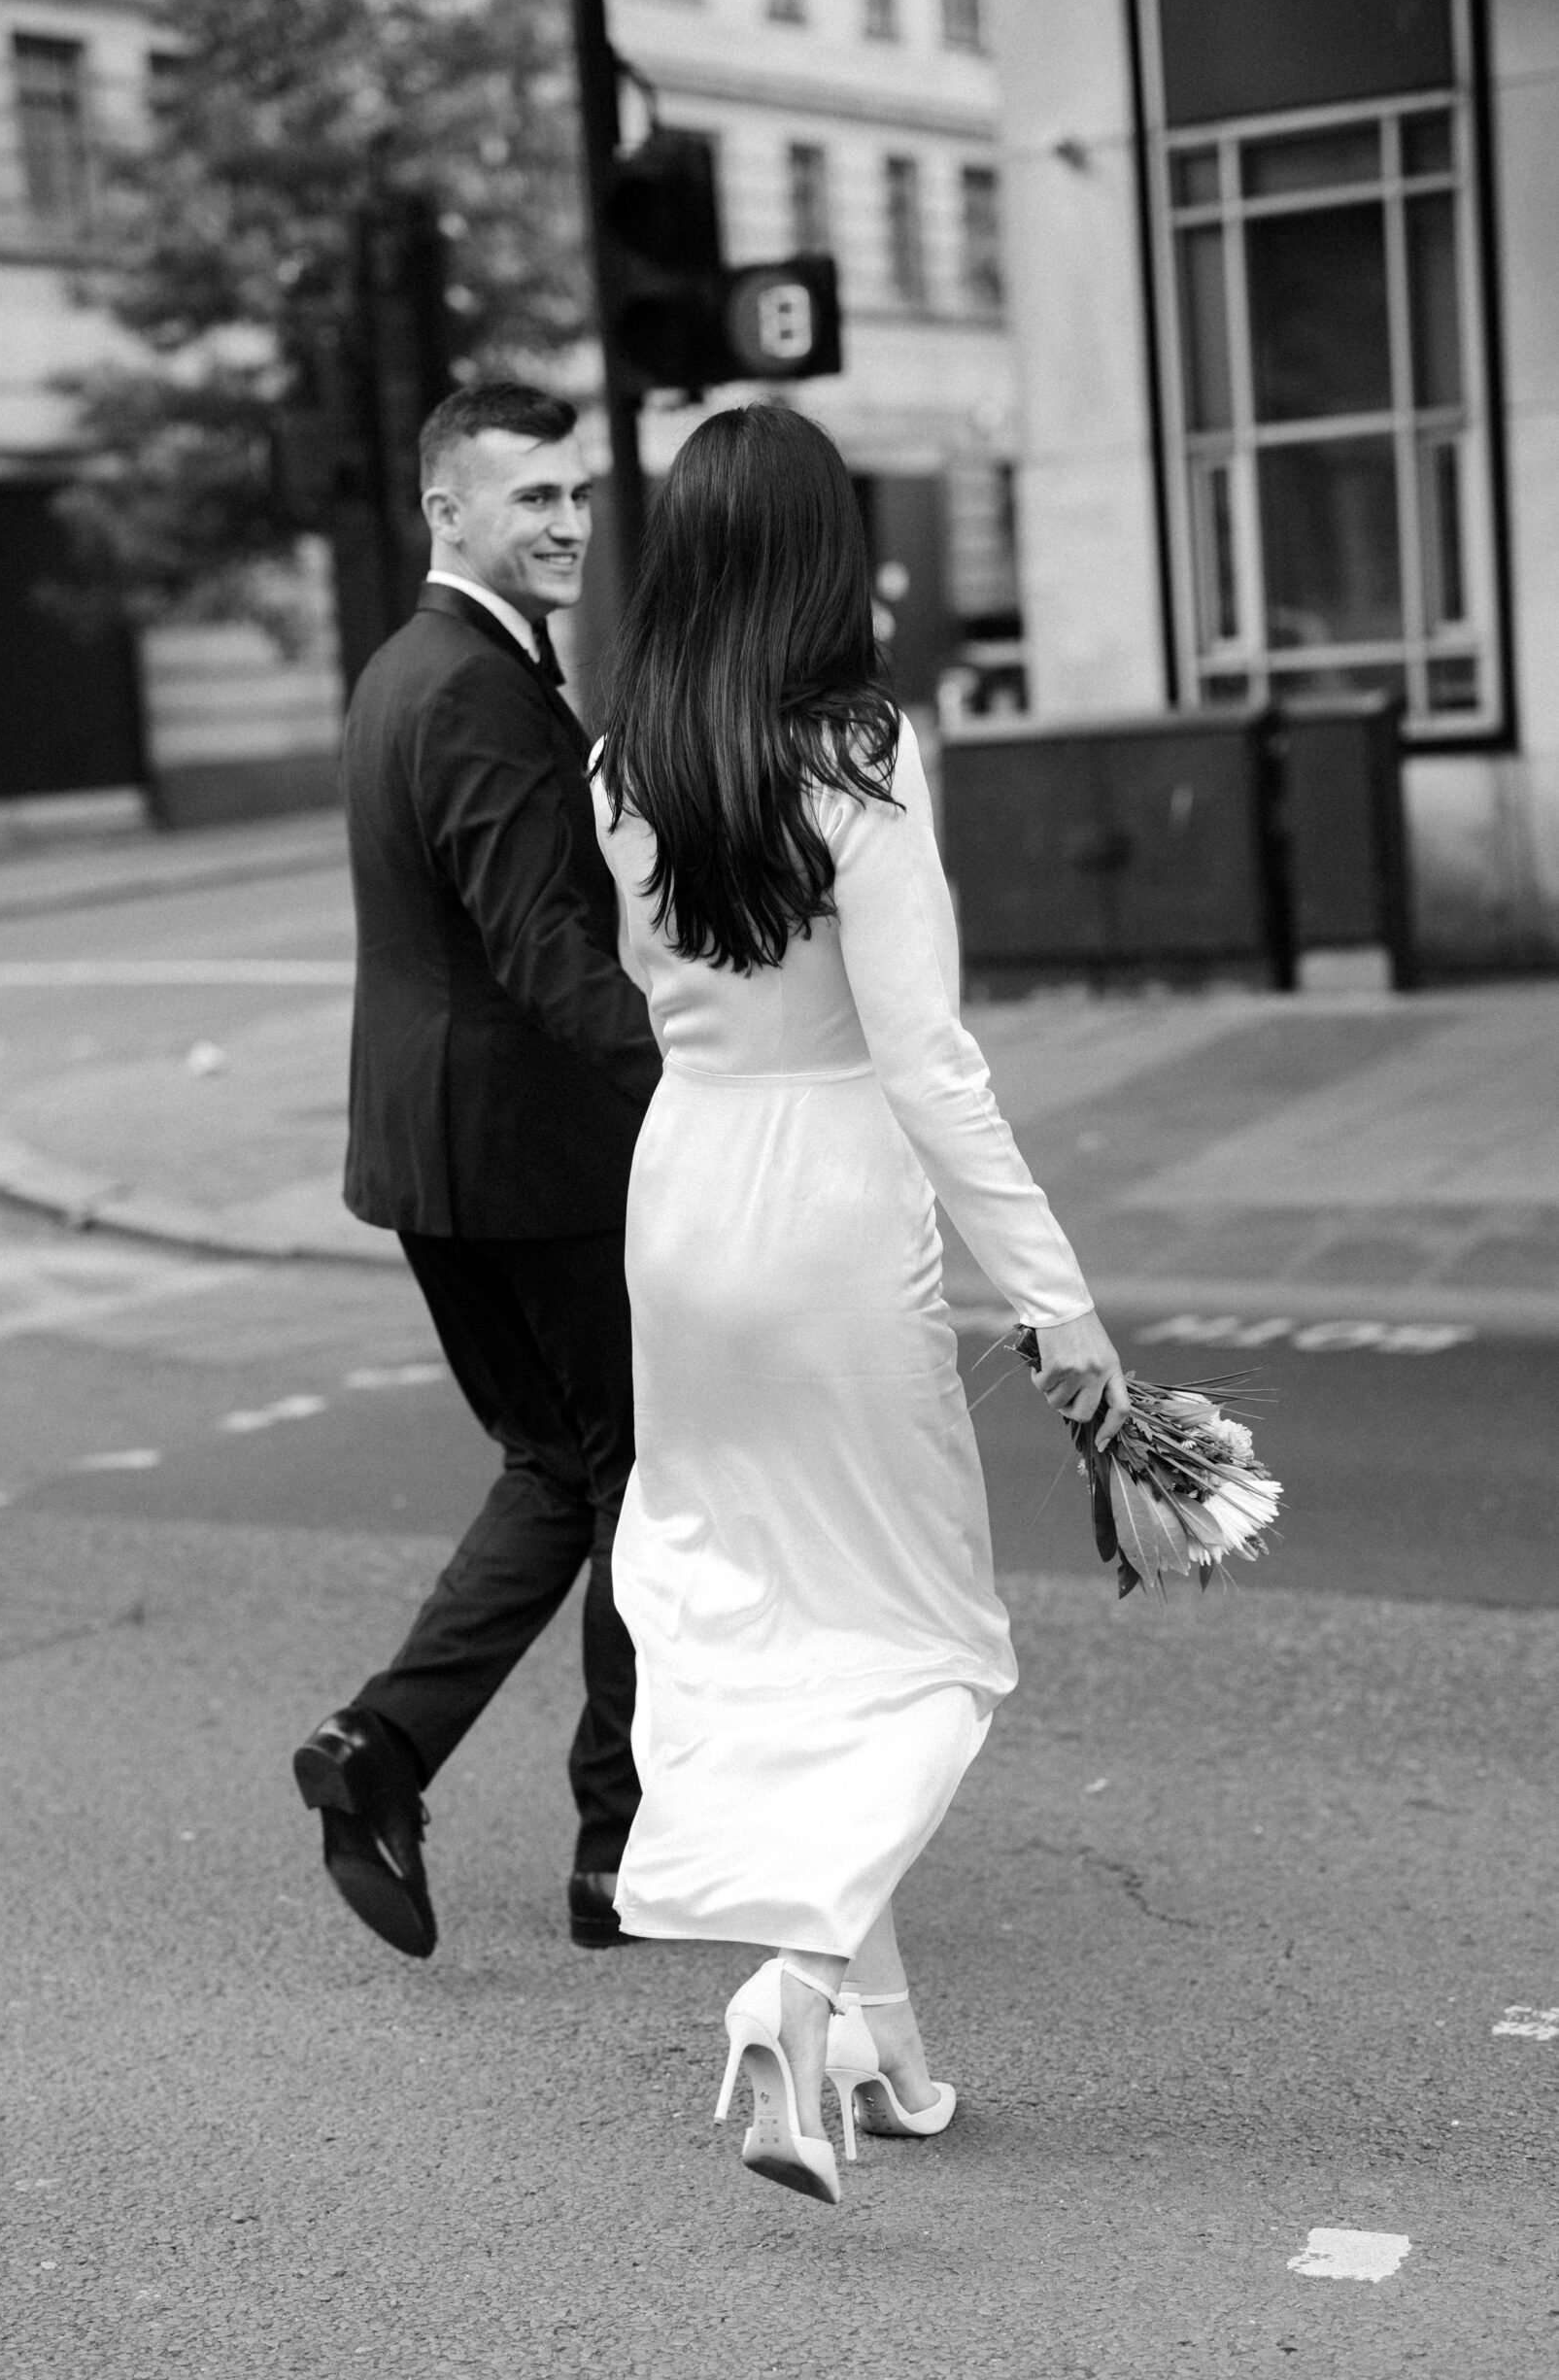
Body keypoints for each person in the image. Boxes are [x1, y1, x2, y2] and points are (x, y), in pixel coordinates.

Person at [591, 402, 1128, 2203]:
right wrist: (1060, 1310)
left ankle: (878, 2056)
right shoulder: (866, 752)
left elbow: (649, 986)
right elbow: (929, 1062)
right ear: (828, 556)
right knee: (924, 1641)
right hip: (827, 1206)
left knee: (765, 1606)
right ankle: (799, 1981)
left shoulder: (623, 758)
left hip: (681, 1206)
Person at [293, 380, 661, 1959]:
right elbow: (543, 950)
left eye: (575, 494)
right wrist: (704, 1086)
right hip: (532, 1160)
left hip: (438, 1158)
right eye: (532, 499)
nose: (568, 521)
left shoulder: (412, 668)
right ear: (449, 511)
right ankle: (619, 1850)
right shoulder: (471, 687)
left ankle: (379, 1752)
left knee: (560, 1468)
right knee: (643, 1483)